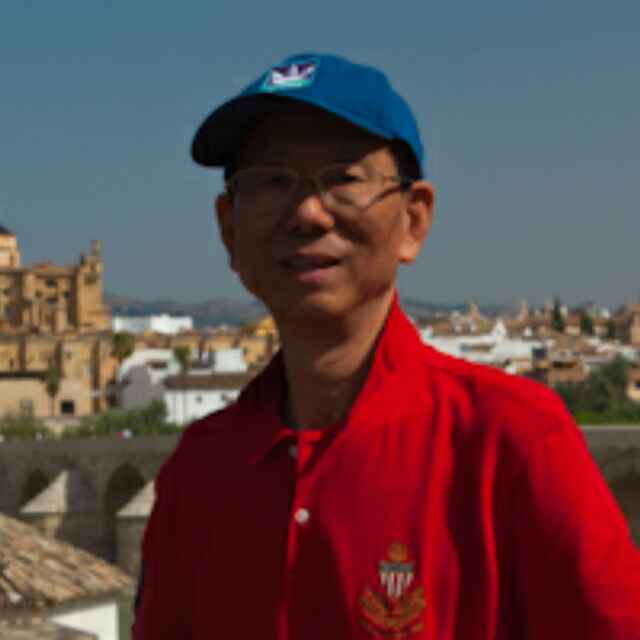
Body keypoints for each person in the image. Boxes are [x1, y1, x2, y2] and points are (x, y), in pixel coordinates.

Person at [132, 53, 640, 639]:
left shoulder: (511, 441)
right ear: (228, 228)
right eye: (273, 181)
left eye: (342, 178)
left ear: (413, 220)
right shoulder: (200, 472)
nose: (307, 212)